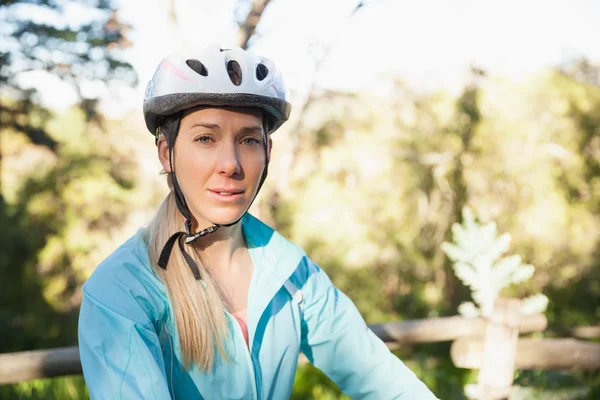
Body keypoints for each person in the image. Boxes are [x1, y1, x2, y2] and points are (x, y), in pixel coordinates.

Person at [78, 43, 438, 400]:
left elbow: (382, 379)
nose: (231, 164)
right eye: (205, 138)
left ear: (268, 151)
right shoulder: (121, 291)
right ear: (166, 153)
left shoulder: (292, 272)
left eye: (249, 140)